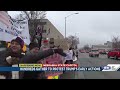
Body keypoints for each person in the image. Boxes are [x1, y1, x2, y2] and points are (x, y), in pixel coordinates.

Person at [0, 37, 66, 79]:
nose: (14, 45)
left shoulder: (24, 57)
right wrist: (7, 63)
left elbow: (38, 55)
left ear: (21, 46)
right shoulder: (3, 54)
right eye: (12, 43)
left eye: (17, 44)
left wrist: (54, 51)